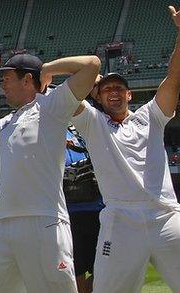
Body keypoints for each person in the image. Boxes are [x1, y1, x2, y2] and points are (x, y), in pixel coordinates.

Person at [72, 0, 180, 293]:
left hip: (166, 215)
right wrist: (82, 75)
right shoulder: (92, 122)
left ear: (130, 95)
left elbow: (175, 75)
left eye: (119, 89)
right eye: (106, 89)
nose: (113, 92)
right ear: (97, 97)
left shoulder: (150, 116)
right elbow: (71, 94)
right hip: (119, 220)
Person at [0, 52, 100, 293]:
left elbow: (91, 65)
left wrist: (47, 68)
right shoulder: (11, 120)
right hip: (2, 224)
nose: (3, 84)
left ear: (28, 79)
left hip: (44, 222)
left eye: (7, 78)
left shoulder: (54, 105)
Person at [63, 124, 103, 293]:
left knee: (101, 269)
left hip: (99, 210)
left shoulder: (86, 125)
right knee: (76, 270)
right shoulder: (49, 125)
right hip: (69, 213)